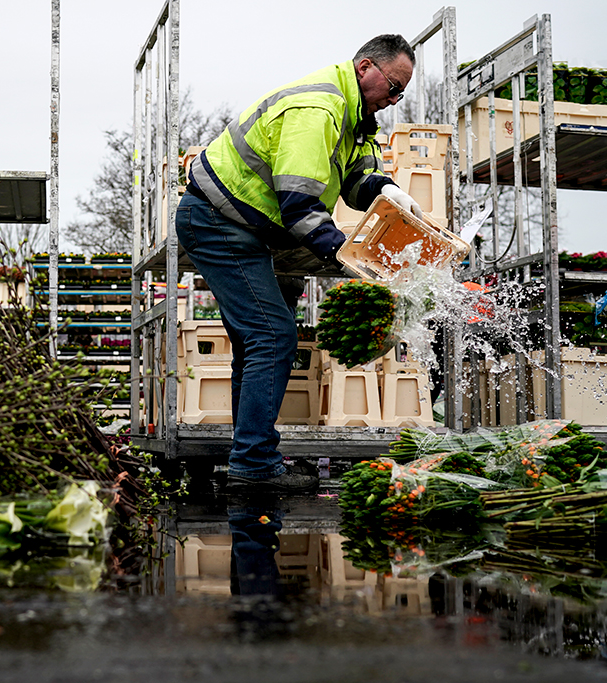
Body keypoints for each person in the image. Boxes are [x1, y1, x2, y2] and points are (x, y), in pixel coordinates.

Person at [176, 34, 423, 493]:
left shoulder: (356, 118)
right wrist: (348, 261)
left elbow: (355, 182)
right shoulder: (318, 111)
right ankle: (254, 463)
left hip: (254, 229)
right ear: (366, 67)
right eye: (393, 87)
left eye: (401, 92)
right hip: (219, 221)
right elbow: (300, 207)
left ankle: (251, 454)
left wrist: (386, 190)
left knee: (258, 342)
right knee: (272, 335)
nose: (394, 99)